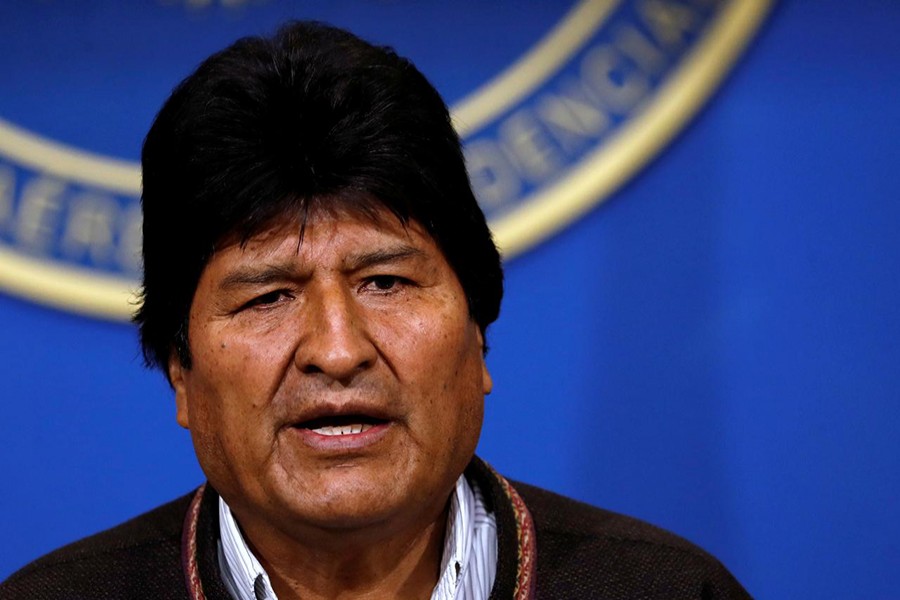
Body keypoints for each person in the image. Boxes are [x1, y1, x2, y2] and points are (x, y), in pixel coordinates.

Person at [0, 21, 749, 600]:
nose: (337, 348)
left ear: (479, 338)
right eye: (268, 296)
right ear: (181, 375)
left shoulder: (671, 590)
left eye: (385, 282)